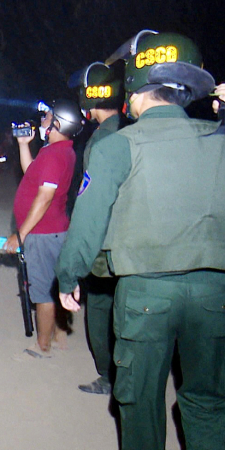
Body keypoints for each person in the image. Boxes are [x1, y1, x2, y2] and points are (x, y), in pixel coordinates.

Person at [56, 31, 225, 450]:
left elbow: (88, 222)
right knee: (207, 402)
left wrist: (69, 276)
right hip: (213, 294)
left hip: (145, 295)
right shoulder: (218, 139)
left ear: (135, 91)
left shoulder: (117, 146)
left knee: (140, 404)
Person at [3, 99, 82, 358]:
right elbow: (31, 173)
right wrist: (24, 146)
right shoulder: (59, 152)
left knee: (42, 292)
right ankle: (60, 335)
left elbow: (44, 196)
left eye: (47, 118)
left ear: (58, 124)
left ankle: (42, 345)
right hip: (54, 229)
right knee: (55, 285)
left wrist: (21, 234)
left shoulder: (55, 154)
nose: (42, 121)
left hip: (43, 233)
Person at [69, 60, 127, 395]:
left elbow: (93, 202)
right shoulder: (132, 130)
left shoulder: (100, 141)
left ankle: (108, 376)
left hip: (106, 245)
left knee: (101, 312)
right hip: (134, 242)